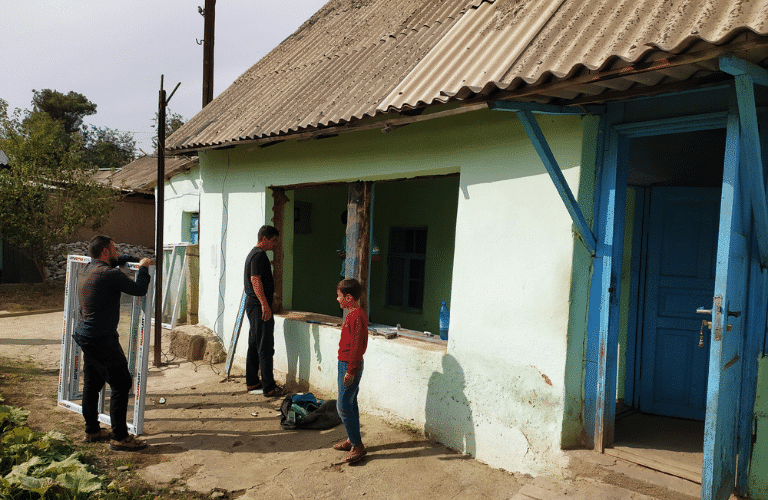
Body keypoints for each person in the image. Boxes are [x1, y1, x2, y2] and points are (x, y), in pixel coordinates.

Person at [73, 235, 154, 451]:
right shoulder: (110, 275)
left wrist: (138, 258)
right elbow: (139, 290)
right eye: (114, 249)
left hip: (85, 336)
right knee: (121, 383)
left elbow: (119, 259)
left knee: (92, 384)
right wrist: (144, 269)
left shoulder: (89, 268)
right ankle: (120, 437)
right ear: (106, 252)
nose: (118, 253)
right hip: (101, 338)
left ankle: (92, 431)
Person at [244, 225, 285, 398]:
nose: (275, 244)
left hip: (253, 306)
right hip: (258, 306)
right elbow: (255, 280)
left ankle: (253, 381)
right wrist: (264, 304)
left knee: (254, 343)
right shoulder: (259, 255)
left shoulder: (254, 254)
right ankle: (269, 387)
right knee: (265, 346)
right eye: (273, 240)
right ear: (265, 239)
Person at [332, 278, 369, 463]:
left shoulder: (356, 316)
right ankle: (351, 439)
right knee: (351, 403)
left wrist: (351, 370)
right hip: (345, 363)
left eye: (339, 296)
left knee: (343, 406)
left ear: (348, 297)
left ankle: (357, 446)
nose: (337, 299)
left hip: (349, 364)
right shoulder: (353, 314)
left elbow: (356, 346)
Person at [337, 210, 380, 278]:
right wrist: (342, 255)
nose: (347, 229)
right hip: (345, 275)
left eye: (349, 225)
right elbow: (340, 251)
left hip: (359, 276)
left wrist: (358, 257)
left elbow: (377, 258)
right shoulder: (346, 237)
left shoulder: (367, 238)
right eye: (346, 226)